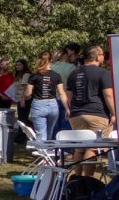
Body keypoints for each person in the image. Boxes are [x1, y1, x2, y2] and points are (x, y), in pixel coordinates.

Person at [65, 45, 116, 178]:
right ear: (97, 56)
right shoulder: (102, 73)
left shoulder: (74, 73)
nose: (104, 57)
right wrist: (114, 113)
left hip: (76, 115)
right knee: (92, 148)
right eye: (102, 55)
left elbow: (68, 96)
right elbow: (108, 95)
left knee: (80, 148)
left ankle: (77, 178)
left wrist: (69, 110)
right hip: (96, 114)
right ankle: (88, 181)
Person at [24, 52, 68, 142]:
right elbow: (62, 93)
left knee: (40, 134)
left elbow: (28, 93)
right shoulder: (56, 75)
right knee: (50, 133)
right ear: (51, 60)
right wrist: (67, 108)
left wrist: (26, 98)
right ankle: (48, 152)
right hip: (53, 104)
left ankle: (43, 154)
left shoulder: (34, 76)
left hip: (39, 104)